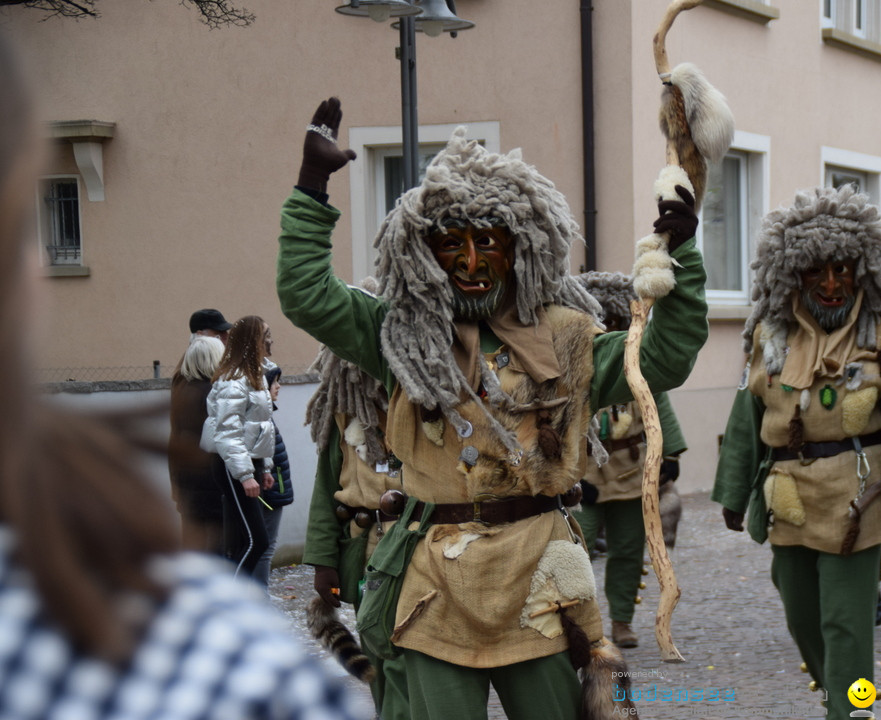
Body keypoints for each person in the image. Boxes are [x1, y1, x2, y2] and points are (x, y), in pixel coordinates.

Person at [277, 97, 708, 719]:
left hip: (539, 582)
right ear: (425, 253)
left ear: (522, 247)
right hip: (434, 589)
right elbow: (307, 296)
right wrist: (311, 189)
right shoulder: (398, 335)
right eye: (452, 243)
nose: (471, 262)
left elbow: (663, 359)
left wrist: (683, 258)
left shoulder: (568, 335)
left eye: (489, 242)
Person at [0, 36, 371, 720]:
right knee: (247, 551)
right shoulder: (229, 676)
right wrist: (252, 471)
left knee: (244, 553)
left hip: (220, 493)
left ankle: (251, 595)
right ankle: (250, 600)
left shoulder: (204, 382)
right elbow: (232, 435)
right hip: (230, 492)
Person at [712, 185, 881, 720]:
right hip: (788, 496)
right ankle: (838, 696)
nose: (833, 283)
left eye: (844, 269)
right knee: (801, 615)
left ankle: (850, 710)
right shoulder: (770, 339)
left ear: (864, 271)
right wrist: (732, 491)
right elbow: (748, 418)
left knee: (846, 622)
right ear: (794, 273)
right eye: (819, 271)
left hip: (859, 496)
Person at [573, 270, 686, 650]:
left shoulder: (638, 362)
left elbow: (661, 404)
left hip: (632, 473)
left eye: (616, 319)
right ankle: (575, 622)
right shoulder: (570, 366)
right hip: (584, 475)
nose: (610, 328)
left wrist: (669, 453)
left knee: (627, 548)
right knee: (576, 549)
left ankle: (621, 620)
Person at [303, 342, 409, 719]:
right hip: (366, 548)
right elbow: (324, 489)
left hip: (422, 545)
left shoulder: (426, 403)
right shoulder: (341, 415)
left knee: (421, 650)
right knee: (376, 641)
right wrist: (322, 562)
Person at [202, 315, 276, 579]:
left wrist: (264, 467)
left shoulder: (256, 375)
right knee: (256, 541)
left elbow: (260, 426)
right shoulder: (234, 379)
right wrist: (245, 475)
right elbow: (227, 432)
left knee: (242, 542)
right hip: (232, 466)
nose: (270, 340)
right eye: (264, 334)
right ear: (251, 341)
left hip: (247, 463)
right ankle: (230, 604)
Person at [168, 334, 227, 554]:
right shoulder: (212, 394)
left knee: (193, 543)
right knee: (216, 546)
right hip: (210, 480)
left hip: (186, 478)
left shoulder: (181, 389)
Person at [253, 365, 294, 586]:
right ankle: (261, 598)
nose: (279, 386)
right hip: (268, 491)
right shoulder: (259, 415)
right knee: (265, 548)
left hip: (272, 488)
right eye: (274, 381)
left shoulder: (266, 413)